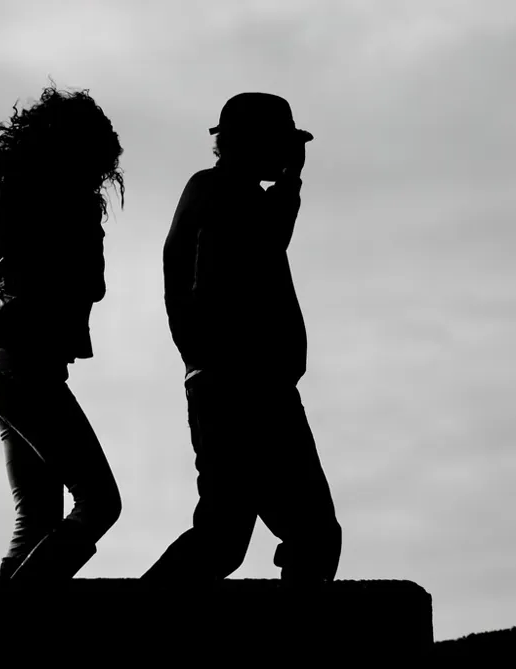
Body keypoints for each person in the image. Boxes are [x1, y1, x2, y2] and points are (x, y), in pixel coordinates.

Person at [143, 92, 342, 583]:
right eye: (284, 144)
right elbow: (261, 243)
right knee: (304, 533)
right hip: (246, 390)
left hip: (234, 386)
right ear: (254, 143)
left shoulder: (219, 193)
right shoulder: (223, 193)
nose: (290, 155)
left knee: (227, 538)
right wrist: (292, 183)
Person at [0, 85, 125, 580]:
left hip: (6, 365)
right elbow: (85, 283)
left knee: (36, 518)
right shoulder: (49, 196)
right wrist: (83, 229)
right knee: (100, 503)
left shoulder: (25, 190)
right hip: (25, 368)